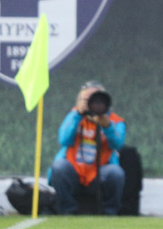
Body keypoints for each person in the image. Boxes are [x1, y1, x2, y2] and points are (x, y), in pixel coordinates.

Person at [49, 81, 126, 215]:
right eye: (87, 100)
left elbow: (117, 144)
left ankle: (109, 213)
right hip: (74, 171)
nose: (93, 104)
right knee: (59, 166)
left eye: (96, 100)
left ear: (105, 102)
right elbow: (63, 139)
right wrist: (78, 114)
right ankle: (67, 211)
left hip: (99, 173)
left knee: (116, 173)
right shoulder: (74, 115)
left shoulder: (115, 121)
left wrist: (107, 127)